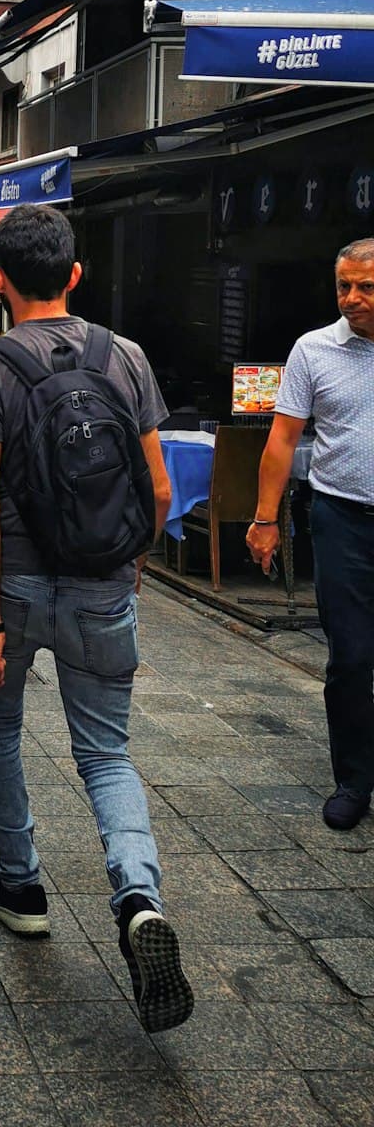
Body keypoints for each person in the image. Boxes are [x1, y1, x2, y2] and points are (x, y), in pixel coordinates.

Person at [0, 204, 189, 1034]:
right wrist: (130, 561)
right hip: (100, 584)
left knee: (1, 729)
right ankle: (138, 898)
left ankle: (21, 885)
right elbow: (158, 488)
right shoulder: (124, 357)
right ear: (76, 275)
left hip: (14, 583)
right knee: (107, 753)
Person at [246, 236, 374, 832]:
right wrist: (265, 518)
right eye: (344, 286)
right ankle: (353, 779)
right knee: (348, 655)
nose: (352, 298)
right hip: (340, 518)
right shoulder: (314, 350)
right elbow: (282, 439)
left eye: (366, 286)